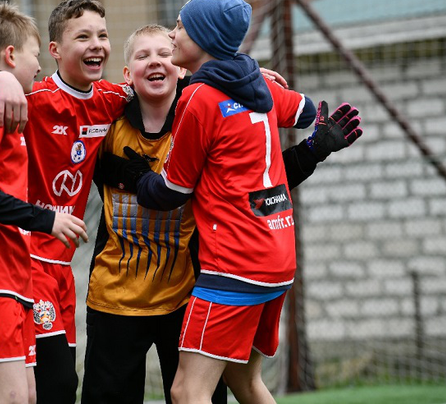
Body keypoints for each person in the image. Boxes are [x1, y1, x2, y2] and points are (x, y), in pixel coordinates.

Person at [82, 24, 361, 403]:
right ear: (127, 75)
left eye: (165, 53)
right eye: (142, 56)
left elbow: (256, 185)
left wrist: (311, 150)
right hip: (115, 298)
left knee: (197, 392)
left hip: (189, 292)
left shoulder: (205, 108)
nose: (155, 62)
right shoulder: (107, 122)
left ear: (182, 68)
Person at [0, 0, 134, 404]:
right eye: (83, 36)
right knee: (52, 385)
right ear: (54, 51)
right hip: (24, 260)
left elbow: (168, 87)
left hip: (61, 266)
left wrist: (239, 74)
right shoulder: (29, 96)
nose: (97, 44)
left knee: (51, 389)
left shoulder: (110, 98)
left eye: (102, 34)